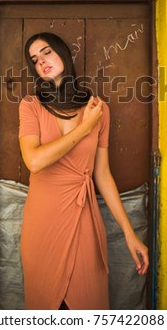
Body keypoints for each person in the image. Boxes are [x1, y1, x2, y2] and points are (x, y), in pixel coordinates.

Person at [18, 32, 149, 310]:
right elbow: (35, 161)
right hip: (42, 221)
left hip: (84, 220)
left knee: (88, 305)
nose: (41, 61)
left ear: (63, 53)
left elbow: (102, 174)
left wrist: (129, 233)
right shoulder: (31, 106)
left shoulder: (96, 109)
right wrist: (84, 128)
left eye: (47, 52)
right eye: (34, 59)